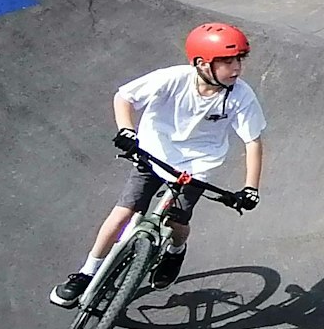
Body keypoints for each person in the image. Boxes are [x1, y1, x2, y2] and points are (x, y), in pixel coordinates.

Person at [49, 23, 265, 308]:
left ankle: (176, 251)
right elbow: (124, 97)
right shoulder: (173, 79)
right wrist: (127, 131)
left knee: (177, 221)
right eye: (227, 61)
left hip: (196, 167)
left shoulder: (241, 95)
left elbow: (252, 142)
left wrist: (250, 188)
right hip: (154, 153)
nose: (236, 68)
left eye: (239, 60)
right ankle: (87, 273)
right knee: (123, 213)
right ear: (202, 63)